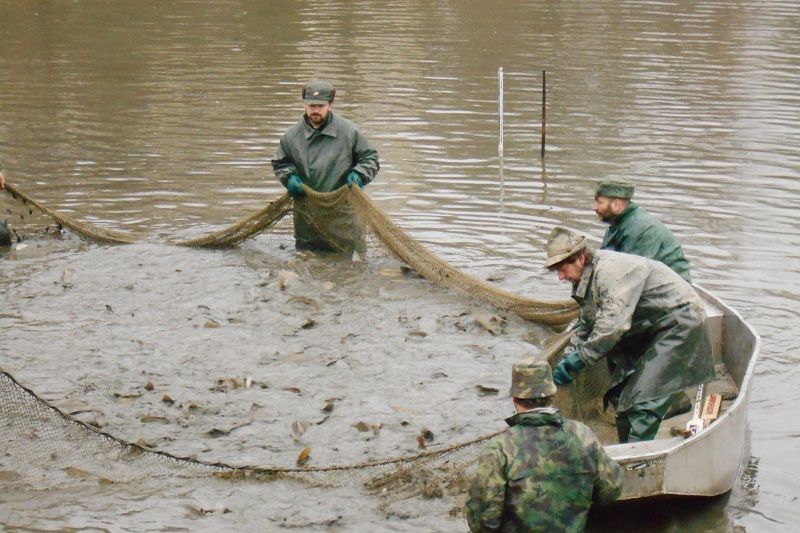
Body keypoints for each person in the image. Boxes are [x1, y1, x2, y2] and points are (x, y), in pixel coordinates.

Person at [545, 226, 714, 443]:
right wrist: (569, 355)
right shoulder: (584, 280)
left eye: (562, 268)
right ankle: (627, 449)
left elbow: (611, 328)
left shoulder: (609, 271)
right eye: (556, 271)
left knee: (643, 404)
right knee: (620, 397)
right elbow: (587, 325)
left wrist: (578, 360)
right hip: (647, 328)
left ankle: (637, 466)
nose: (560, 277)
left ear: (579, 258)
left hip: (679, 323)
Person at [466, 358, 623, 532]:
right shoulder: (582, 434)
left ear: (515, 399)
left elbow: (482, 520)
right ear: (553, 395)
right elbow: (611, 489)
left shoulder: (500, 448)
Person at [271, 80, 379, 253]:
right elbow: (280, 162)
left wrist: (359, 174)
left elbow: (370, 158)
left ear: (330, 104)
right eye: (311, 105)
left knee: (349, 269)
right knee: (307, 268)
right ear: (304, 105)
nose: (315, 110)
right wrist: (288, 177)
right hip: (307, 220)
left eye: (320, 106)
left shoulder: (350, 132)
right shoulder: (291, 136)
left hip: (345, 219)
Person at [593, 179, 692, 283]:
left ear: (616, 205)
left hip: (672, 292)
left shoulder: (639, 229)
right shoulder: (620, 222)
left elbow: (632, 278)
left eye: (599, 202)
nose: (594, 207)